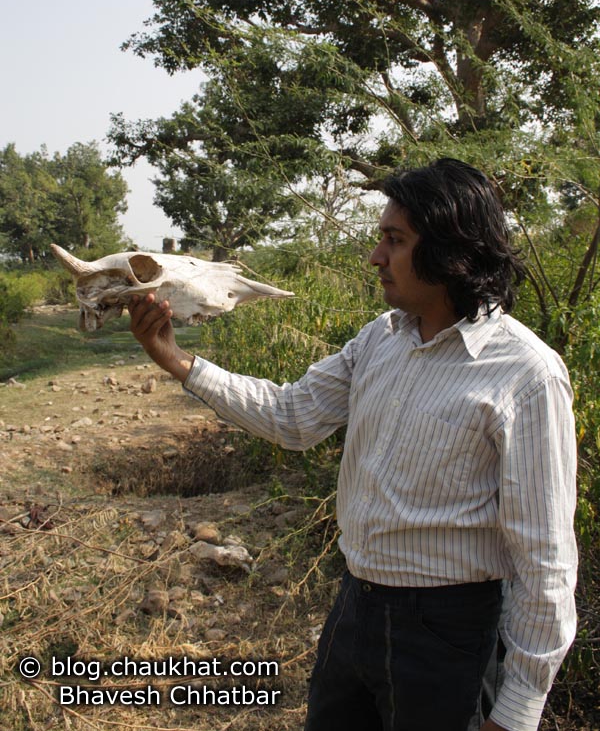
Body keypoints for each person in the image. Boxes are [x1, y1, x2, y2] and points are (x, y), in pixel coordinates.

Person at [128, 158, 577, 731]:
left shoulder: (527, 374)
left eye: (396, 240)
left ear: (451, 250)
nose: (375, 257)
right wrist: (176, 360)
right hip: (354, 608)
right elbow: (292, 416)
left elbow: (545, 558)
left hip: (449, 637)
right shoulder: (380, 340)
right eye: (380, 238)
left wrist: (516, 711)